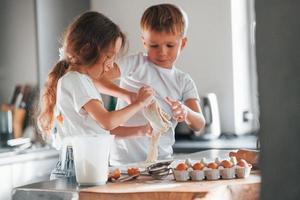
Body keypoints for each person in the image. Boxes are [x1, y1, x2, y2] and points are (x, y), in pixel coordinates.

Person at [96, 4, 206, 165]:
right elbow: (97, 78)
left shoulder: (183, 81)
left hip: (161, 162)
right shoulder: (136, 64)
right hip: (124, 161)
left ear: (182, 43)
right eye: (154, 45)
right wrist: (127, 95)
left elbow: (199, 124)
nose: (162, 52)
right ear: (144, 42)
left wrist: (186, 112)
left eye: (170, 45)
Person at [37, 11, 155, 147]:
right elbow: (107, 122)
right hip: (80, 164)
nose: (111, 65)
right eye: (109, 56)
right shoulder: (75, 81)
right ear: (87, 50)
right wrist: (139, 103)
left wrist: (142, 130)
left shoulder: (82, 81)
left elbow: (103, 131)